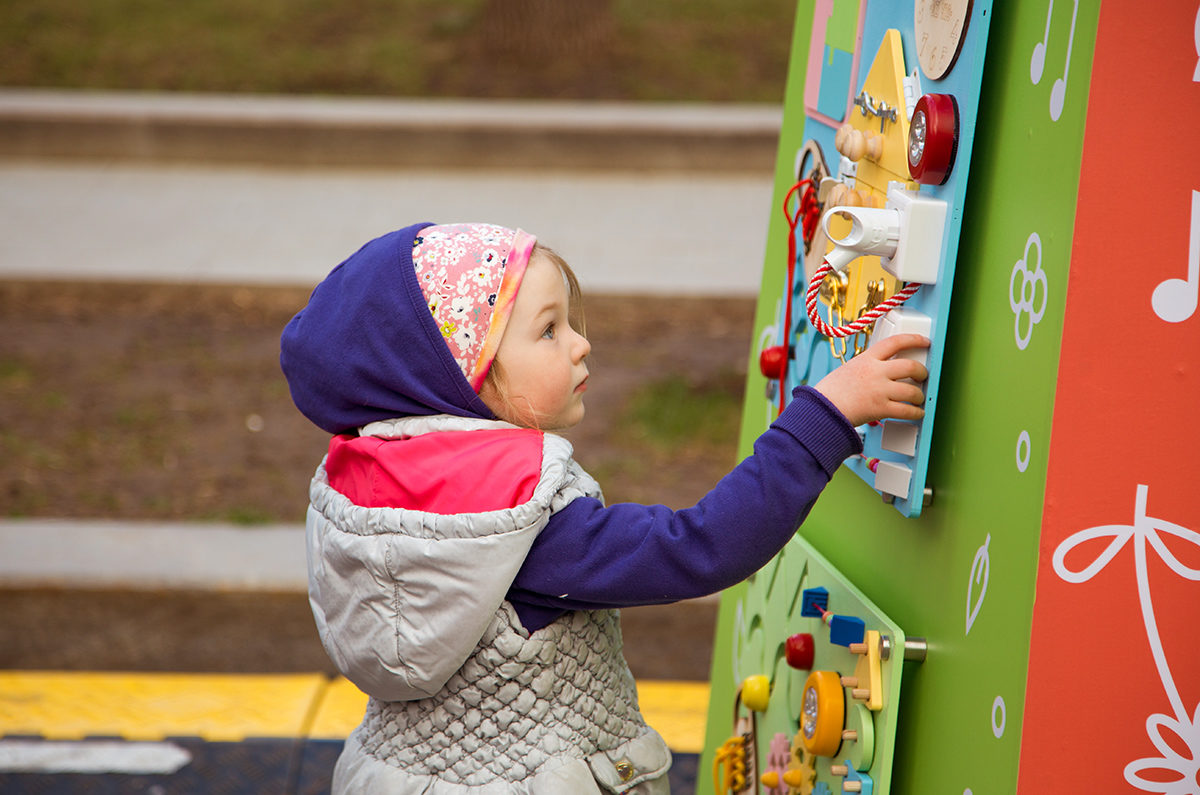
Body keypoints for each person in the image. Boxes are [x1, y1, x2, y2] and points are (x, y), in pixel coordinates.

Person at [280, 222, 928, 794]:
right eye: (548, 329)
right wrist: (826, 415)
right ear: (465, 380)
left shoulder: (365, 487)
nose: (580, 343)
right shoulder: (527, 525)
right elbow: (698, 547)